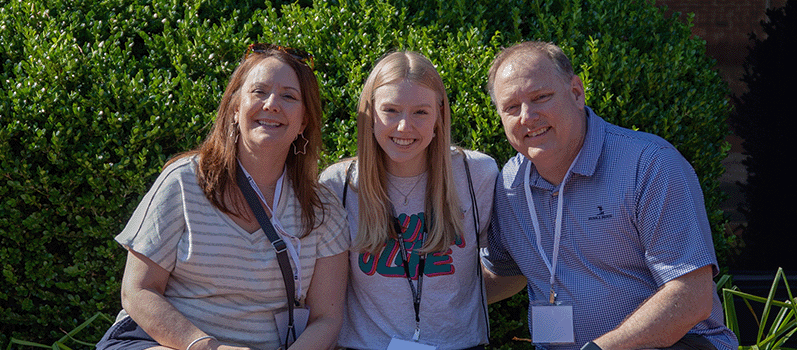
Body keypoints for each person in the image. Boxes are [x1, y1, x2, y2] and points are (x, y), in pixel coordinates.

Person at [481, 41, 738, 350]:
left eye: (541, 97)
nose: (527, 116)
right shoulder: (510, 185)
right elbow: (502, 274)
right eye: (511, 107)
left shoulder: (648, 164)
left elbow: (691, 296)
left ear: (576, 93)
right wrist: (415, 296)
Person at [96, 44, 349, 350]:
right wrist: (205, 346)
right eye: (259, 91)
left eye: (289, 96)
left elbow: (326, 319)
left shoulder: (322, 209)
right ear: (234, 108)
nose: (271, 104)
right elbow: (138, 290)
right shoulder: (184, 182)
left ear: (303, 122)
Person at [320, 51, 498, 349]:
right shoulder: (338, 185)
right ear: (369, 114)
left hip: (459, 345)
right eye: (390, 110)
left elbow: (511, 267)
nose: (405, 126)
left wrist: (457, 302)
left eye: (420, 112)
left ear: (439, 116)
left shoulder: (476, 174)